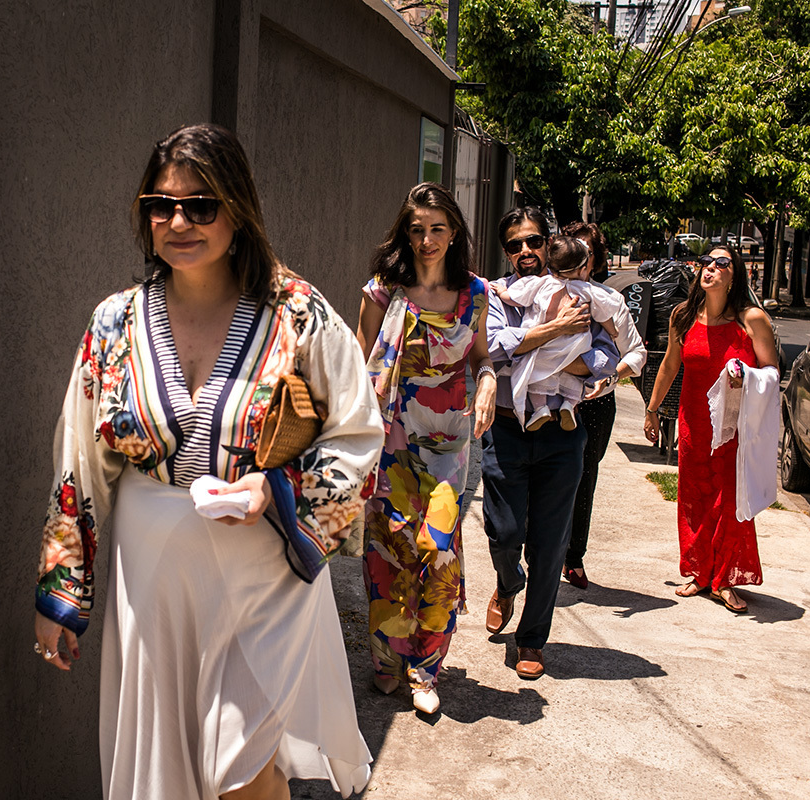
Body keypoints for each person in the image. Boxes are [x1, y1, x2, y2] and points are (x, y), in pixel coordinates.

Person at [32, 123, 382, 800]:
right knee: (163, 764)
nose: (179, 221)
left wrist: (281, 491)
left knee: (243, 769)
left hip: (262, 568)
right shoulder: (115, 323)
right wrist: (62, 590)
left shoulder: (296, 312)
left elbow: (358, 431)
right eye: (160, 204)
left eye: (201, 204)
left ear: (238, 208)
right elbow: (77, 461)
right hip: (154, 571)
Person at [356, 183, 495, 716]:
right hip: (391, 436)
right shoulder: (382, 292)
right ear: (405, 234)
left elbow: (481, 358)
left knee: (439, 551)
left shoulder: (476, 294)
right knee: (390, 549)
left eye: (438, 228)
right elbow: (364, 362)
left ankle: (424, 670)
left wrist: (487, 383)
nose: (427, 238)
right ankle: (387, 663)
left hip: (447, 444)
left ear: (454, 231)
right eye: (417, 229)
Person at [481, 207, 619, 680]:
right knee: (503, 533)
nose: (526, 251)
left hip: (562, 435)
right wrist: (559, 333)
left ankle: (532, 638)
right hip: (505, 431)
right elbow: (494, 348)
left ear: (548, 243)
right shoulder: (494, 296)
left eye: (534, 242)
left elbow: (606, 358)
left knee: (549, 542)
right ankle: (506, 582)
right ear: (506, 251)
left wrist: (551, 355)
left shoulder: (581, 294)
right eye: (516, 245)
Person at [641, 245, 777, 613]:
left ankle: (726, 579)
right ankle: (700, 572)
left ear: (735, 275)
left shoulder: (751, 320)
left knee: (729, 501)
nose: (710, 269)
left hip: (735, 427)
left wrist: (744, 375)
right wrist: (653, 410)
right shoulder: (683, 316)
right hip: (693, 423)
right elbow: (669, 366)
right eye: (705, 262)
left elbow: (771, 374)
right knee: (694, 497)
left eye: (721, 264)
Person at [560, 221, 647, 589]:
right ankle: (537, 550)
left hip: (595, 404)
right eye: (572, 251)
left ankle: (573, 556)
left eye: (587, 252)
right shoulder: (544, 293)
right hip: (547, 400)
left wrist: (610, 377)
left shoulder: (609, 300)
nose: (580, 260)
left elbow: (636, 352)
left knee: (583, 477)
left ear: (595, 260)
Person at [491, 235, 621, 431]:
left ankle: (540, 408)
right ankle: (569, 404)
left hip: (545, 346)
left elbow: (514, 298)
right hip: (574, 346)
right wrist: (613, 331)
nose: (526, 250)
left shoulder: (541, 284)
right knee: (573, 381)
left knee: (537, 378)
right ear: (582, 268)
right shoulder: (587, 290)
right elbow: (604, 315)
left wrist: (501, 291)